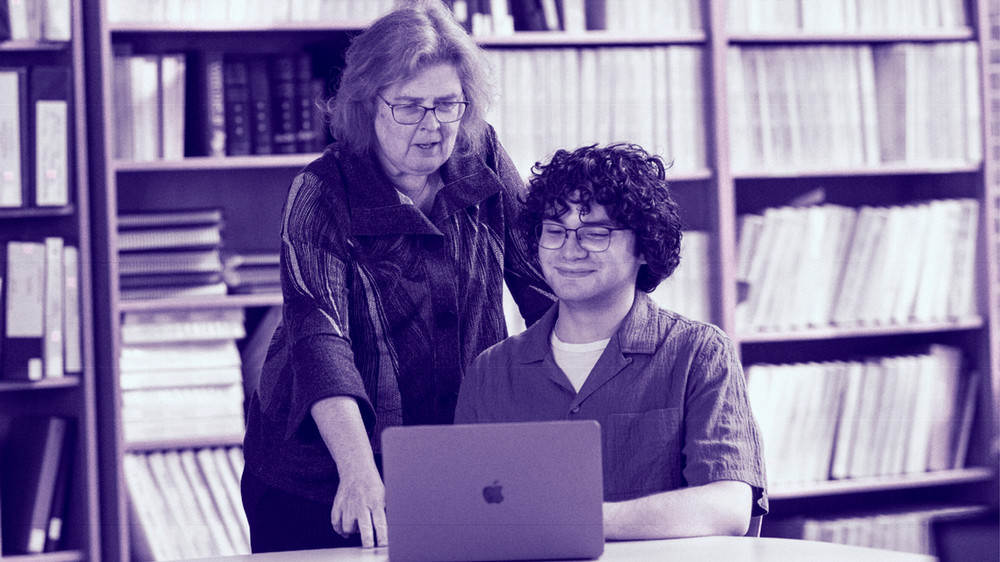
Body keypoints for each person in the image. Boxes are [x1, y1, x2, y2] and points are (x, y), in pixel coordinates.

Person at [241, 0, 553, 552]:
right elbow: (320, 340)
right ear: (367, 106)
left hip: (452, 457)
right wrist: (359, 471)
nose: (432, 128)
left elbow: (544, 288)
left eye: (447, 105)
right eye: (409, 107)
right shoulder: (321, 192)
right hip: (320, 474)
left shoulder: (480, 157)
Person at [455, 143, 768, 539]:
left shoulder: (699, 353)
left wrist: (578, 520)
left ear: (644, 246)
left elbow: (728, 507)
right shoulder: (491, 370)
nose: (569, 250)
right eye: (554, 231)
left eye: (595, 233)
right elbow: (465, 514)